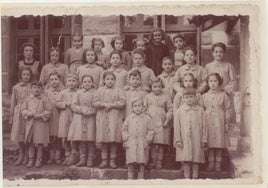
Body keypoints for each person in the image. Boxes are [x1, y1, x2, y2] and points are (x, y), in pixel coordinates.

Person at [93, 71, 126, 169]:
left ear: (115, 80)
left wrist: (112, 105)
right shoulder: (99, 90)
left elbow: (123, 102)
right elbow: (94, 102)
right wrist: (103, 104)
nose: (110, 81)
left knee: (113, 139)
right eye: (108, 79)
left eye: (112, 79)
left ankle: (112, 160)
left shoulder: (119, 90)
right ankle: (104, 160)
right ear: (104, 80)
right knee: (104, 140)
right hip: (103, 116)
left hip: (114, 116)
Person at [173, 87, 207, 179]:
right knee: (186, 160)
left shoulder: (200, 110)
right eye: (187, 97)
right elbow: (177, 126)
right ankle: (187, 179)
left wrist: (204, 138)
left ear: (195, 97)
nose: (189, 99)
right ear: (183, 98)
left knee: (196, 160)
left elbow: (204, 125)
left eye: (191, 97)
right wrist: (178, 139)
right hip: (184, 139)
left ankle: (195, 178)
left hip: (197, 138)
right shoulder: (180, 111)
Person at [202, 73, 231, 172]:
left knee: (218, 143)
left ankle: (218, 164)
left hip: (220, 119)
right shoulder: (204, 96)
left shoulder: (223, 95)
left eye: (215, 81)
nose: (213, 83)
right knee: (210, 143)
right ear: (207, 83)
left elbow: (227, 109)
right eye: (210, 81)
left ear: (219, 82)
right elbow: (201, 109)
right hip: (208, 120)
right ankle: (210, 163)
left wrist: (227, 122)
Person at [21, 80, 52, 168]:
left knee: (39, 142)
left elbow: (49, 110)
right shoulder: (28, 99)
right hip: (31, 123)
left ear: (41, 89)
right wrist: (27, 113)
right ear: (31, 89)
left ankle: (39, 159)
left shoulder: (44, 99)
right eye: (34, 88)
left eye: (38, 88)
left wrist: (40, 115)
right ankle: (31, 159)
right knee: (30, 141)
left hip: (40, 123)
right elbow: (23, 109)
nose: (36, 89)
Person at [68, 75, 97, 167]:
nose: (87, 83)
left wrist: (92, 111)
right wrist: (81, 110)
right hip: (80, 117)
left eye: (89, 81)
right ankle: (82, 158)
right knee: (81, 139)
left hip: (91, 117)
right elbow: (73, 105)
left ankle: (90, 158)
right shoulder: (78, 93)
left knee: (90, 139)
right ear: (81, 83)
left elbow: (97, 105)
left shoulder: (96, 93)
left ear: (92, 83)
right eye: (85, 82)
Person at [144, 78, 173, 169]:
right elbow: (144, 108)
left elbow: (170, 109)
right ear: (151, 87)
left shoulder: (166, 96)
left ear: (162, 87)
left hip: (162, 121)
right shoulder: (148, 96)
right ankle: (153, 160)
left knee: (160, 143)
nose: (157, 89)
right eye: (154, 87)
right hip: (151, 121)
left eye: (159, 86)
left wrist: (167, 119)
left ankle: (159, 161)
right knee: (152, 143)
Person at [122, 98, 154, 179]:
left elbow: (150, 130)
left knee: (141, 161)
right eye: (135, 106)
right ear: (132, 108)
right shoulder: (129, 118)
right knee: (130, 161)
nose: (137, 108)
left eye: (139, 106)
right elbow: (124, 129)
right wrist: (126, 139)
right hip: (131, 141)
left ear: (143, 107)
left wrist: (148, 140)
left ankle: (140, 178)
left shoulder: (147, 118)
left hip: (142, 141)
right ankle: (130, 178)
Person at [205, 42, 237, 123]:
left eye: (221, 52)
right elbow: (205, 81)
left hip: (225, 95)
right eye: (216, 52)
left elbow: (233, 81)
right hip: (212, 95)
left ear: (224, 53)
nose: (218, 54)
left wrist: (224, 91)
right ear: (212, 53)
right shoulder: (208, 66)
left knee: (226, 116)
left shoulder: (228, 66)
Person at [10, 67, 33, 166]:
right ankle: (21, 155)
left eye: (28, 75)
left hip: (29, 111)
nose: (26, 77)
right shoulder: (16, 87)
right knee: (19, 134)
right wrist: (11, 116)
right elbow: (13, 102)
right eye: (24, 74)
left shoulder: (33, 86)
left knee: (27, 134)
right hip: (19, 111)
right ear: (20, 75)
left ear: (30, 76)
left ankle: (28, 155)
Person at [56, 73, 79, 166]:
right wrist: (65, 104)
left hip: (75, 116)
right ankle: (67, 153)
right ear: (66, 82)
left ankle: (74, 153)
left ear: (77, 82)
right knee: (64, 136)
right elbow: (57, 103)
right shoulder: (63, 92)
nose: (71, 83)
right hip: (65, 115)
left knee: (73, 136)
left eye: (73, 81)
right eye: (69, 81)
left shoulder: (78, 92)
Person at [44, 71, 64, 164]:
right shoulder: (47, 92)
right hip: (50, 117)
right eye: (51, 79)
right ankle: (51, 156)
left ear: (59, 80)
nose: (54, 81)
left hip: (60, 115)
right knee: (51, 136)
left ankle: (58, 156)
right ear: (49, 81)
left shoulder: (63, 91)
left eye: (56, 79)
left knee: (59, 136)